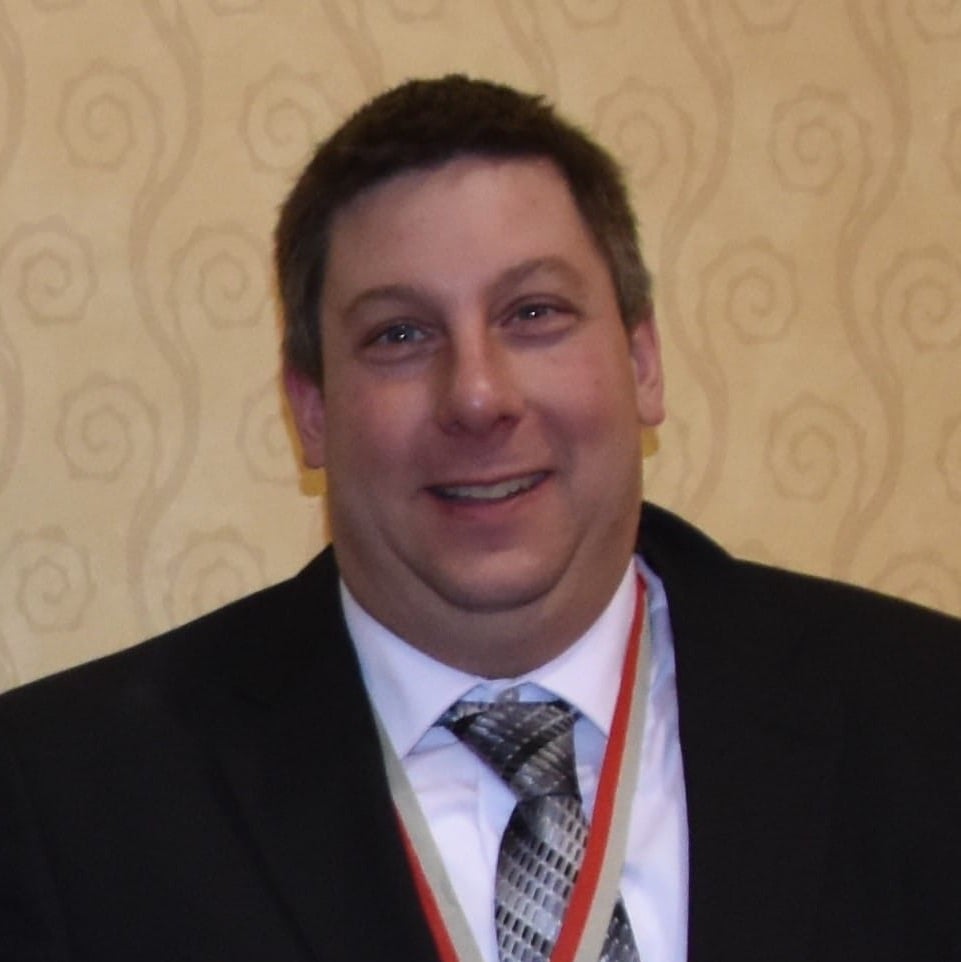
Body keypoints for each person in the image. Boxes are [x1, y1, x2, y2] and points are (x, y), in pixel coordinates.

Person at [1, 75, 959, 962]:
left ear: (642, 362)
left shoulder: (927, 722)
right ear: (311, 409)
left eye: (533, 313)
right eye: (400, 334)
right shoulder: (60, 807)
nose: (476, 395)